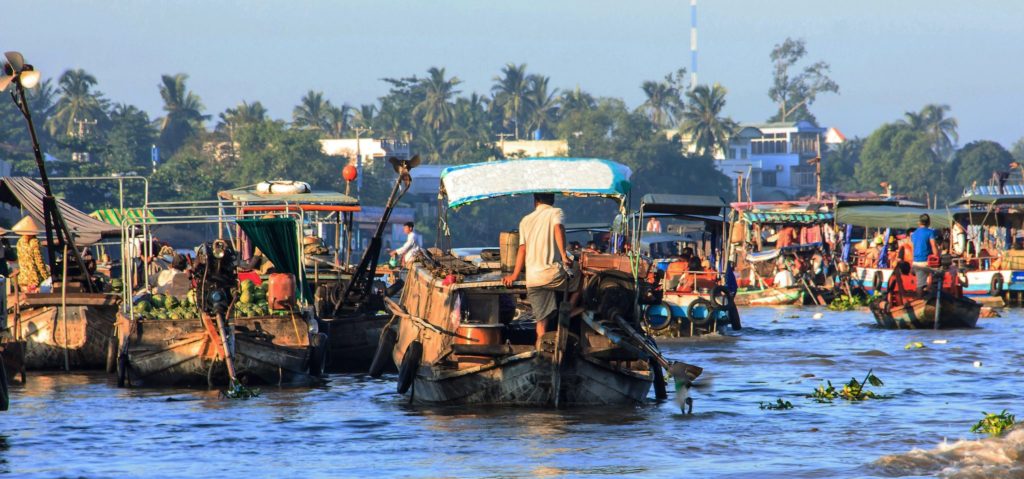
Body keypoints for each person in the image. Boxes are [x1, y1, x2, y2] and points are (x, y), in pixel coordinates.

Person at [502, 193, 579, 338]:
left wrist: (514, 275)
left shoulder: (525, 220)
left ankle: (540, 352)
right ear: (553, 200)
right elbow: (558, 229)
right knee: (580, 271)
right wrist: (563, 255)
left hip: (534, 279)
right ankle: (570, 309)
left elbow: (522, 249)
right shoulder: (555, 212)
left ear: (535, 201)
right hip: (552, 275)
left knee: (541, 322)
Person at [12, 216, 48, 293]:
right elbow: (39, 261)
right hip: (34, 278)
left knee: (26, 296)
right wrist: (46, 276)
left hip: (23, 278)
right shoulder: (34, 242)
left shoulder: (19, 242)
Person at [910, 214, 939, 296]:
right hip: (926, 262)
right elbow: (933, 245)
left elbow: (913, 248)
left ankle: (923, 299)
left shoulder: (914, 234)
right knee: (938, 275)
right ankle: (928, 298)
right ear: (929, 222)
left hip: (916, 262)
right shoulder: (930, 232)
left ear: (919, 222)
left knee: (920, 283)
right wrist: (937, 257)